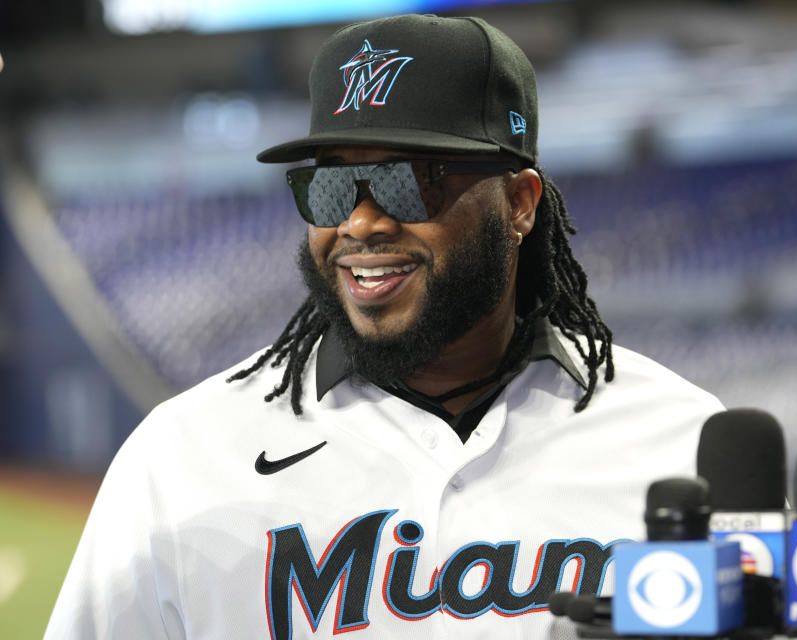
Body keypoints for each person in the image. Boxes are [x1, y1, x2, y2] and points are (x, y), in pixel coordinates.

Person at [46, 13, 723, 640]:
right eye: (332, 188)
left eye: (409, 181)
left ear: (518, 203)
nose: (361, 224)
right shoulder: (181, 458)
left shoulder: (685, 445)